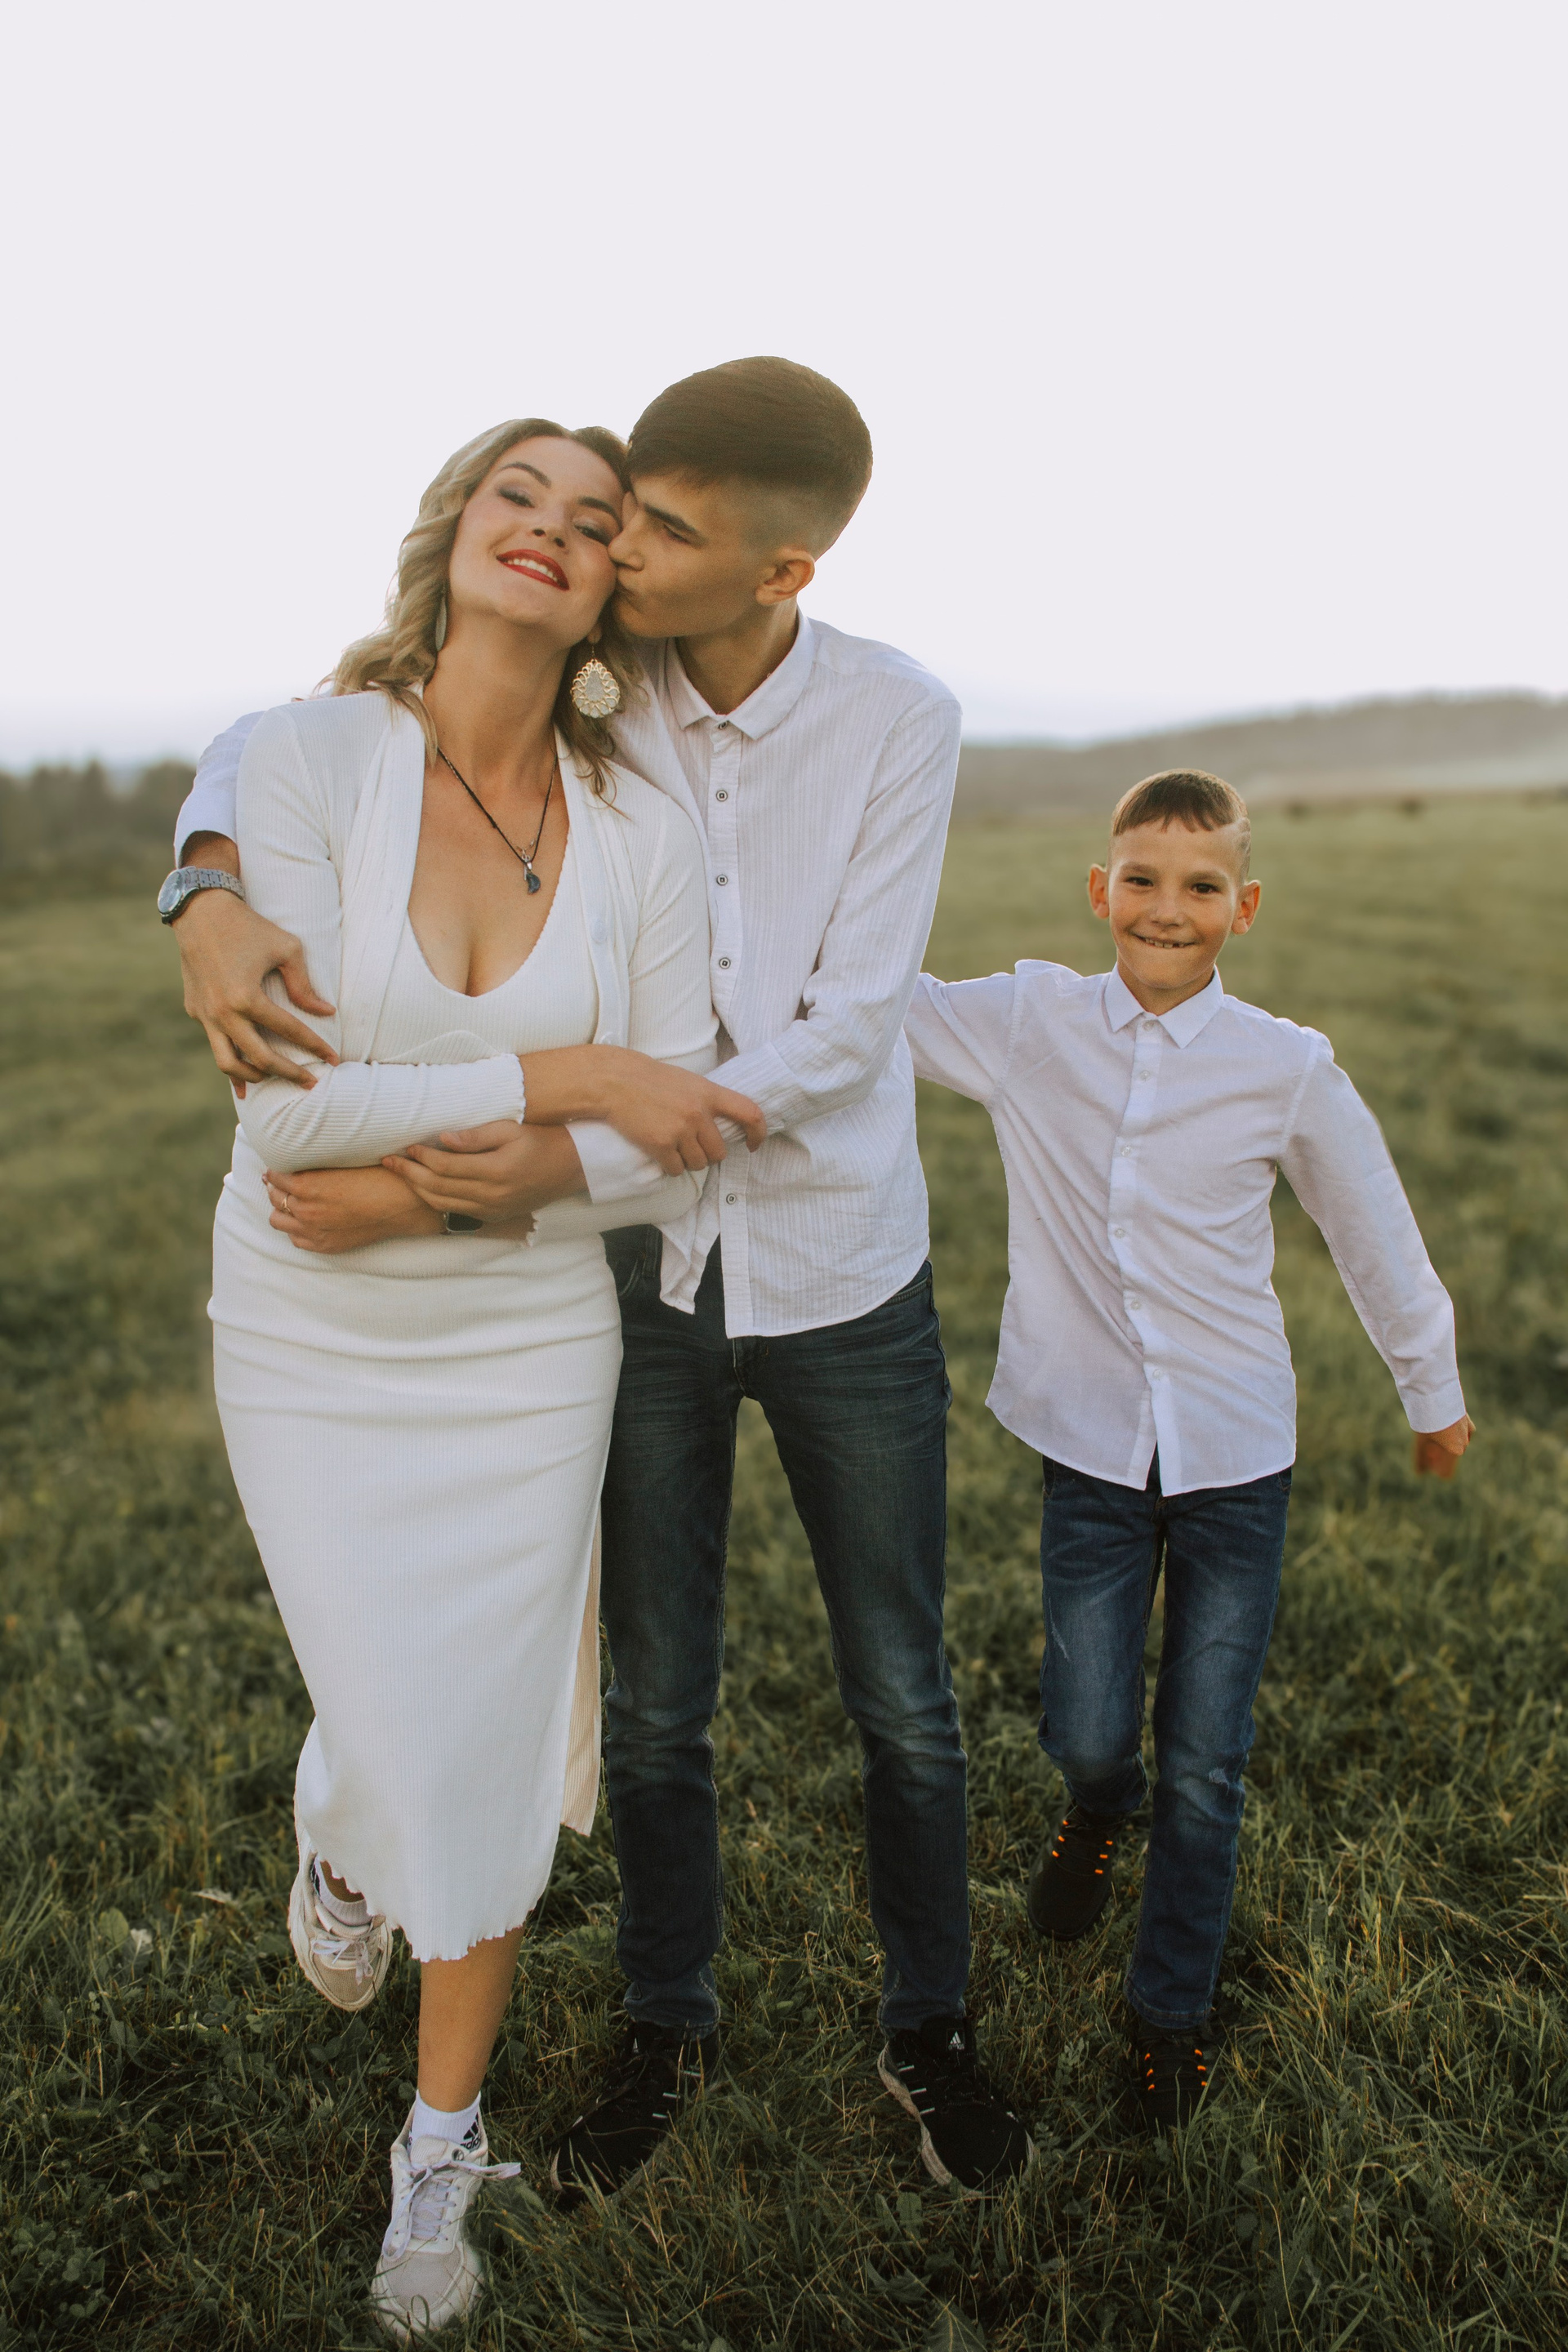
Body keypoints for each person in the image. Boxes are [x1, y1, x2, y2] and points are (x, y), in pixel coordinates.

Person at [165, 358, 1034, 2198]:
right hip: (643, 1281)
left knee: (902, 1688)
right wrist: (204, 881)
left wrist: (552, 1160)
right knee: (651, 1703)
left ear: (779, 573)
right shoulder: (598, 664)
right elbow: (309, 722)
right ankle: (662, 2026)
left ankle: (930, 2030)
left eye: (660, 531)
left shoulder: (899, 718)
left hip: (839, 1272)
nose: (617, 553)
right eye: (612, 517)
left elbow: (847, 1031)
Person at [194, 414, 751, 2341]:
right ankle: (347, 1811)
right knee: (383, 1696)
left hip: (525, 1342)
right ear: (455, 532)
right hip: (310, 1332)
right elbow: (289, 1125)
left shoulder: (640, 836)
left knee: (499, 1735)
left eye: (593, 520)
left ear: (612, 595)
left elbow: (670, 1137)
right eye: (519, 493)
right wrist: (569, 1080)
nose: (550, 528)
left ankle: (439, 2146)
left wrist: (454, 1180)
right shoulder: (305, 760)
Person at [904, 768, 1472, 2131]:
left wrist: (1432, 1388)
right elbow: (878, 1002)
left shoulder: (1285, 1067)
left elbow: (1372, 1226)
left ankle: (1169, 2015)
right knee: (1091, 1721)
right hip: (1088, 1447)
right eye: (1143, 880)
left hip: (1235, 1454)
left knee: (1209, 1760)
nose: (1169, 908)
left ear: (1244, 906)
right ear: (1099, 890)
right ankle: (1099, 1805)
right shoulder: (1030, 1022)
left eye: (1202, 885)